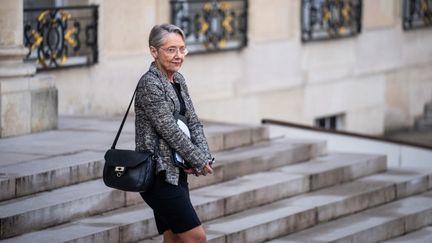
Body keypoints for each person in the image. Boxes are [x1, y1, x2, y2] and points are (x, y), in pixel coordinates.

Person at [135, 24, 214, 243]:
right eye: (171, 50)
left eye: (182, 49)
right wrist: (197, 159)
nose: (178, 56)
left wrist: (204, 155)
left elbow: (194, 123)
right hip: (158, 174)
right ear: (154, 51)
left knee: (174, 237)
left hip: (176, 172)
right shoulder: (149, 84)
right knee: (196, 237)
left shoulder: (178, 80)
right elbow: (169, 130)